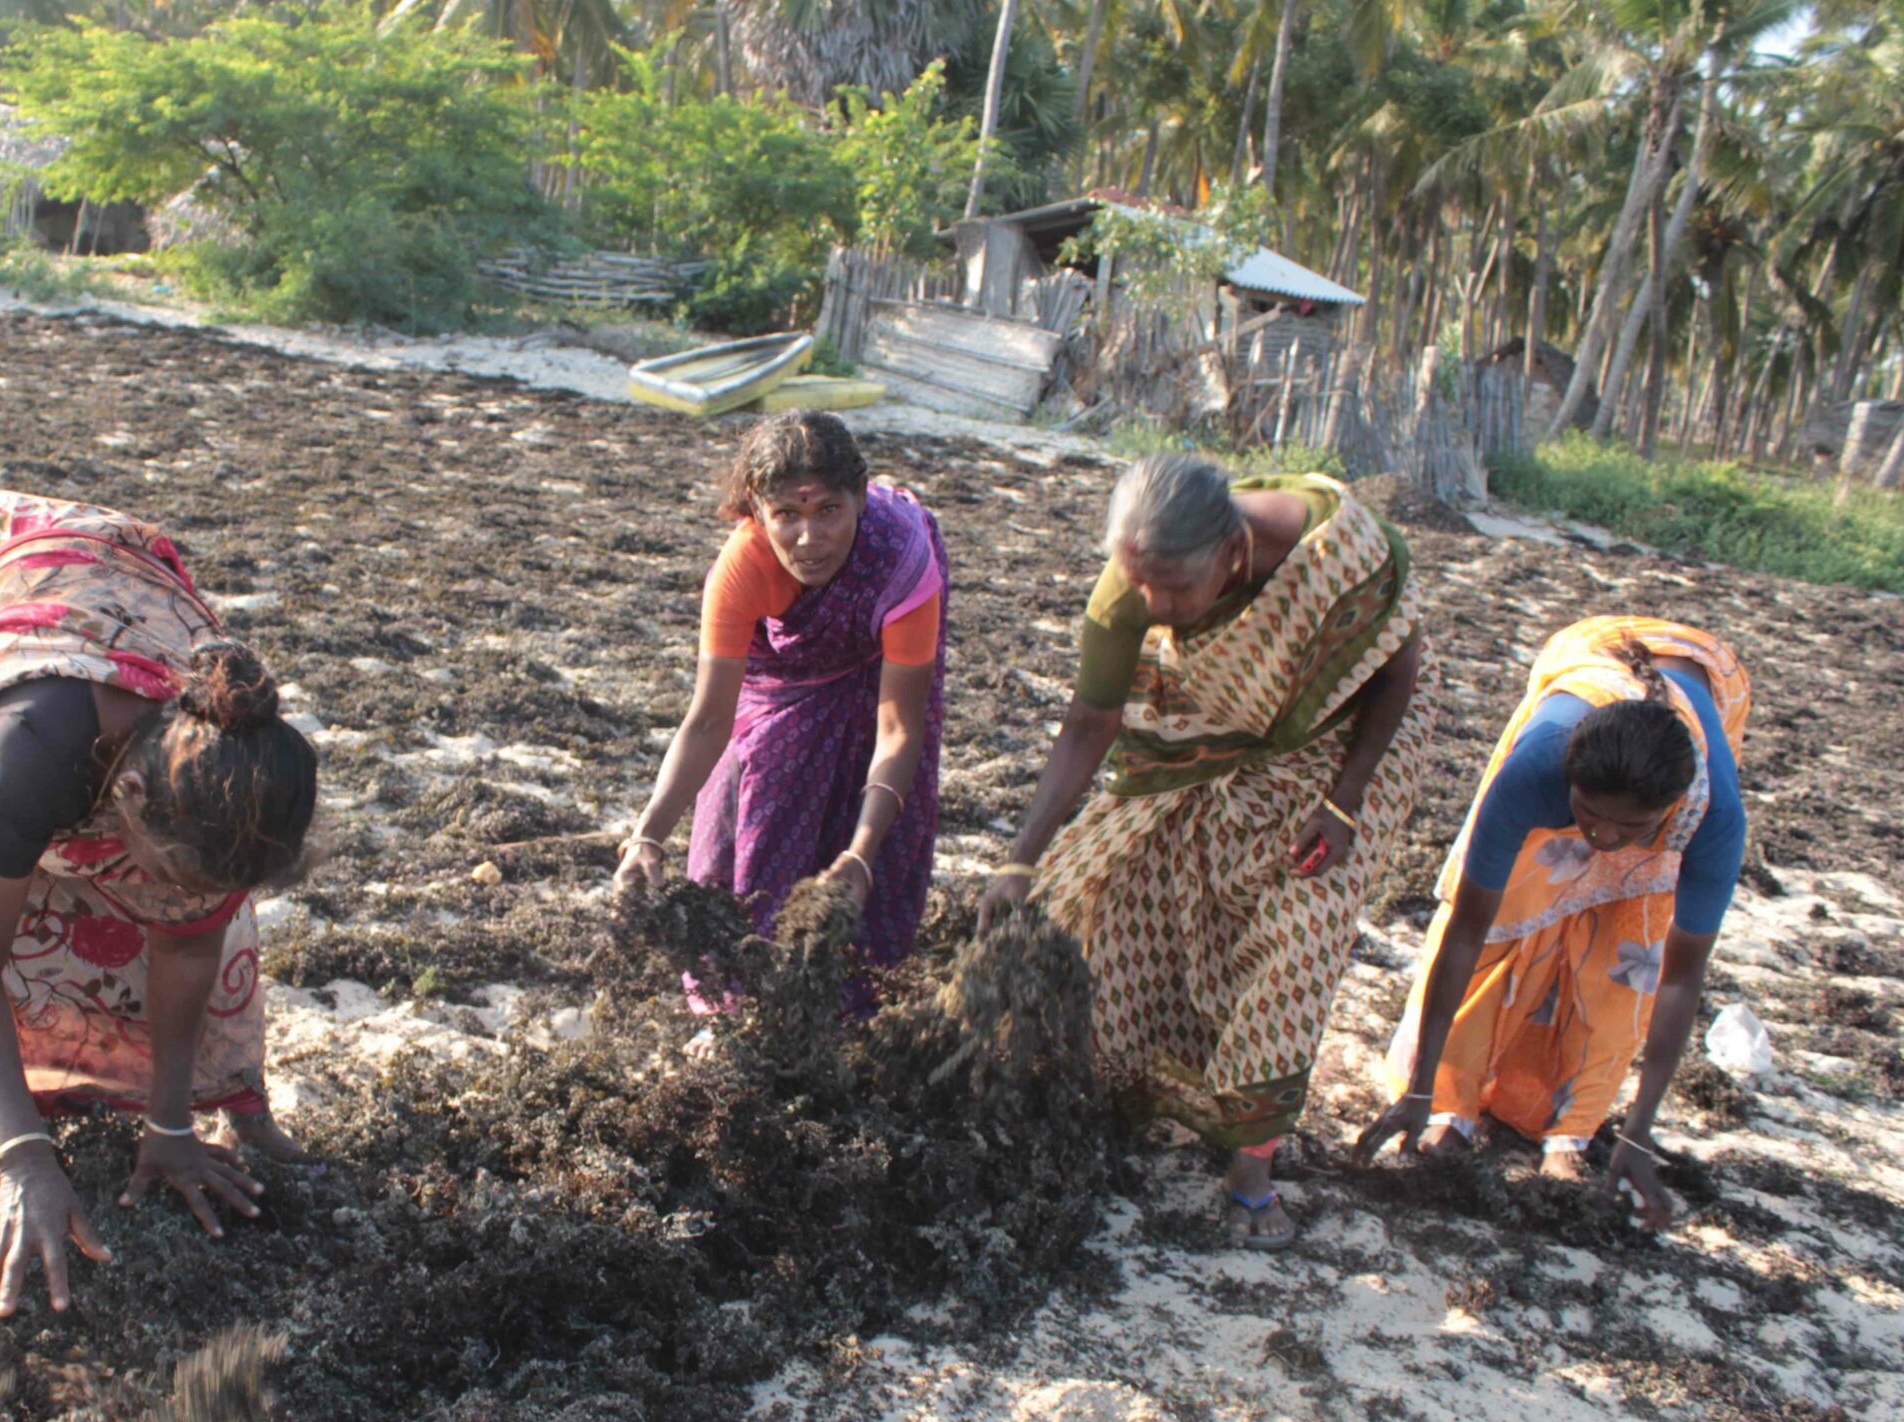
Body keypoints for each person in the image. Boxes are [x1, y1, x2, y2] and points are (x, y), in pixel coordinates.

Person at [0, 488, 317, 1318]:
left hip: (103, 594)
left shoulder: (239, 759)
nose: (174, 902)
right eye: (164, 873)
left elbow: (191, 940)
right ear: (128, 797)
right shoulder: (32, 750)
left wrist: (171, 1126)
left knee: (196, 911)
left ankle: (221, 1107)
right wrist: (22, 1159)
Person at [977, 454, 1435, 1248]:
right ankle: (1123, 1088)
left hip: (1346, 748)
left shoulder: (1344, 555)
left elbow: (1398, 671)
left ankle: (1251, 1172)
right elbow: (1089, 722)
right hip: (1214, 737)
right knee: (1117, 889)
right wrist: (1020, 859)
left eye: (1176, 589)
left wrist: (1343, 801)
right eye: (1140, 585)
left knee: (1301, 933)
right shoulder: (1131, 586)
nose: (1156, 608)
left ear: (1231, 550)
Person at [1357, 619, 1749, 1231]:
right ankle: (1451, 1106)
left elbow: (1678, 980)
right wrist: (1419, 1089)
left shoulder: (1711, 815)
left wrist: (1638, 1133)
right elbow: (1466, 934)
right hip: (1593, 662)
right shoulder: (1533, 771)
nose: (1605, 837)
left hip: (1695, 683)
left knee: (1630, 956)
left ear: (1670, 808)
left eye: (1632, 827)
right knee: (1507, 921)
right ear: (1570, 780)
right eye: (1590, 815)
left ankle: (1572, 1131)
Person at [613, 412, 949, 977]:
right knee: (758, 778)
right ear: (757, 509)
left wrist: (860, 855)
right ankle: (736, 988)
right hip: (787, 676)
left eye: (829, 511)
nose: (809, 539)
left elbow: (898, 728)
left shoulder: (902, 561)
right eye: (787, 515)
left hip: (883, 658)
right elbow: (708, 721)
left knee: (875, 801)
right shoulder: (742, 567)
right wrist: (647, 835)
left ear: (860, 498)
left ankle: (855, 986)